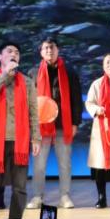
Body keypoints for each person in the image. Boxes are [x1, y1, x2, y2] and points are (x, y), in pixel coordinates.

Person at [0, 41, 42, 219]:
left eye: (17, 52)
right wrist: (5, 75)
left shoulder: (27, 82)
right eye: (9, 51)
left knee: (20, 187)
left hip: (19, 140)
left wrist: (36, 137)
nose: (14, 54)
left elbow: (33, 111)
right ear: (0, 57)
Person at [29, 37, 83, 210]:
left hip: (63, 124)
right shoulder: (33, 72)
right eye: (46, 48)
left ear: (58, 50)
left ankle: (64, 196)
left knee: (64, 162)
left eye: (52, 47)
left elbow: (76, 99)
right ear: (41, 52)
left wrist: (75, 123)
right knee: (39, 164)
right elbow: (29, 102)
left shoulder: (69, 71)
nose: (49, 51)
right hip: (41, 125)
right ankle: (37, 196)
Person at [84, 53, 110, 208]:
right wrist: (97, 109)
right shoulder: (97, 84)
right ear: (103, 66)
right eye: (108, 62)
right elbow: (89, 102)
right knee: (100, 164)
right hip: (102, 129)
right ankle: (102, 197)